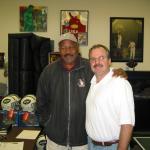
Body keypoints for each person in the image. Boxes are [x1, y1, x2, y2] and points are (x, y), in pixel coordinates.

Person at [36, 33, 127, 150]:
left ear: (77, 48)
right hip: (55, 140)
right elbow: (41, 101)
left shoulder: (89, 67)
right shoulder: (49, 71)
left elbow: (104, 71)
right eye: (63, 47)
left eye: (71, 47)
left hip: (82, 141)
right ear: (59, 50)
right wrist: (48, 123)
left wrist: (117, 71)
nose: (67, 51)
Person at [86, 44, 135, 150]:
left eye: (101, 58)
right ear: (89, 62)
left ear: (109, 61)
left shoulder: (120, 83)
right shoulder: (93, 82)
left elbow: (127, 124)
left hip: (112, 146)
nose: (97, 62)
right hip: (91, 144)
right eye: (93, 59)